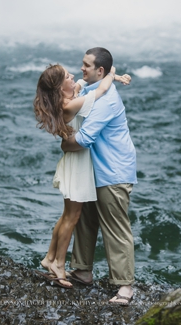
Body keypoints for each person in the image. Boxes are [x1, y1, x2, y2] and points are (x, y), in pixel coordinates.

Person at [32, 62, 129, 288]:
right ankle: (59, 264)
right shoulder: (70, 105)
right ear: (59, 86)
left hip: (74, 163)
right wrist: (112, 73)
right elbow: (100, 90)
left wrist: (112, 76)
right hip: (77, 166)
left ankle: (50, 257)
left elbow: (84, 82)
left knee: (67, 216)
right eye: (67, 76)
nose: (73, 76)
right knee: (72, 217)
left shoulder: (67, 99)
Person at [60, 47, 138, 305]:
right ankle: (82, 270)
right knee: (85, 218)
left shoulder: (107, 101)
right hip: (97, 169)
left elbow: (83, 139)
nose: (81, 69)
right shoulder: (95, 89)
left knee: (115, 228)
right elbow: (85, 86)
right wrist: (115, 75)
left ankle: (125, 286)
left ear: (99, 70)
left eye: (86, 65)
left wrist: (63, 144)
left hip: (114, 172)